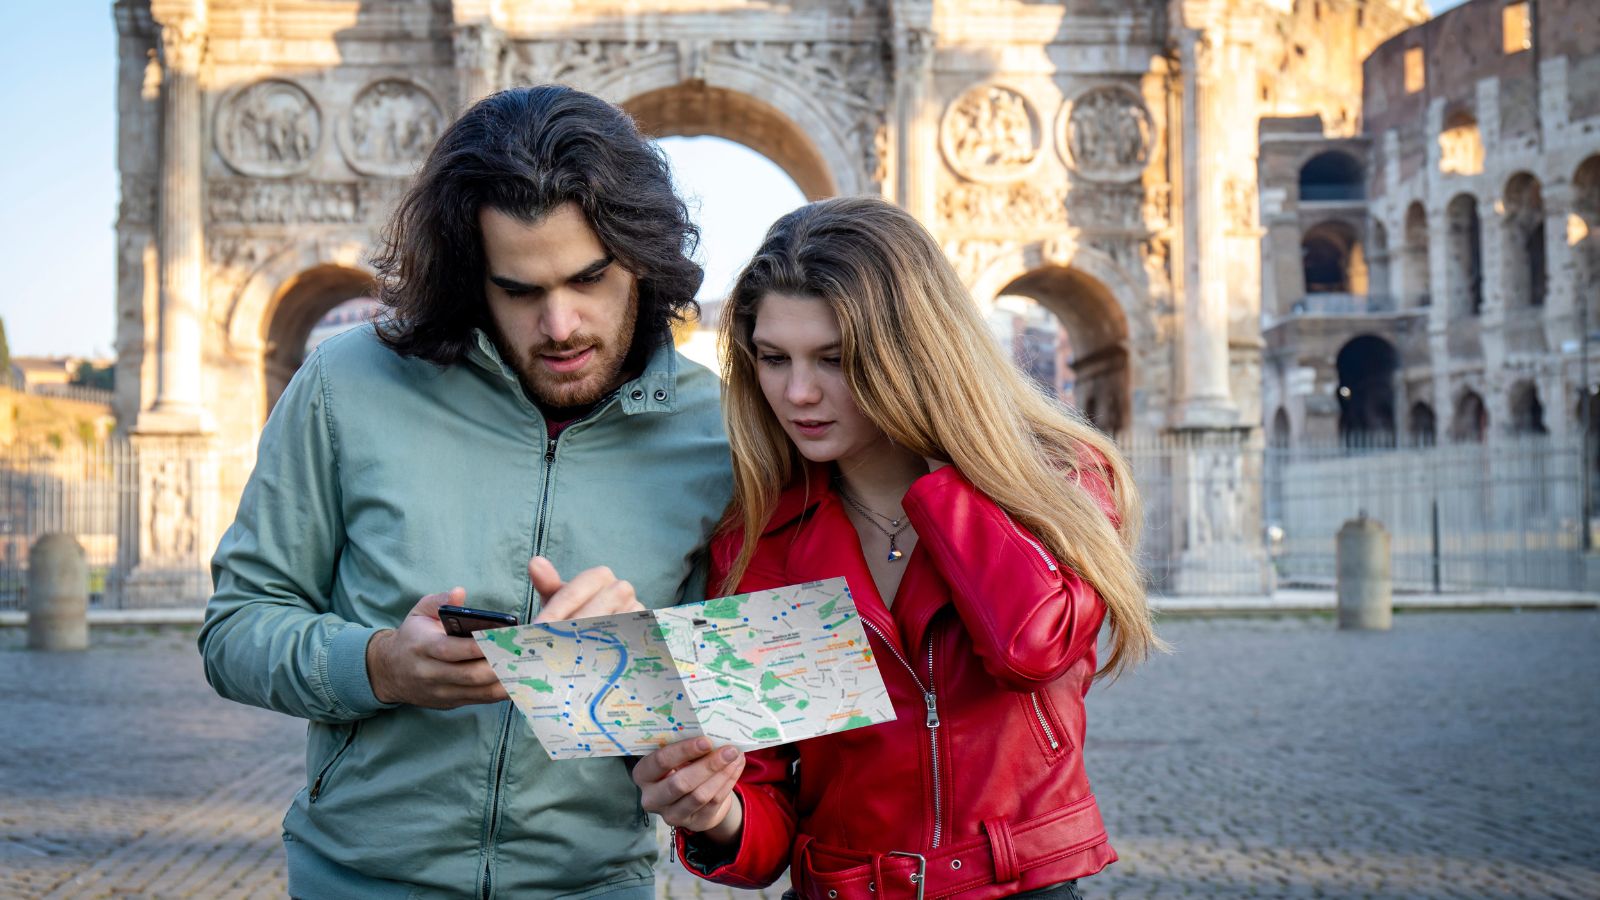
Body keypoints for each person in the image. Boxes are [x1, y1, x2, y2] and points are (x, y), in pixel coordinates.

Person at [199, 85, 731, 898]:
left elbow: (730, 712)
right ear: (468, 275)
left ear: (643, 256)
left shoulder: (717, 433)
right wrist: (377, 666)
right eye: (518, 290)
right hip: (361, 880)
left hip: (594, 885)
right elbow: (234, 630)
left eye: (588, 279)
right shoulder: (346, 385)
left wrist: (642, 679)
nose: (559, 325)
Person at [631, 196, 1159, 899]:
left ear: (916, 354)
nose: (797, 393)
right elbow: (762, 820)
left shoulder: (1058, 482)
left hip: (1021, 886)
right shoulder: (762, 535)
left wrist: (948, 474)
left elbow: (1031, 646)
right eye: (771, 358)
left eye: (835, 359)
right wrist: (716, 811)